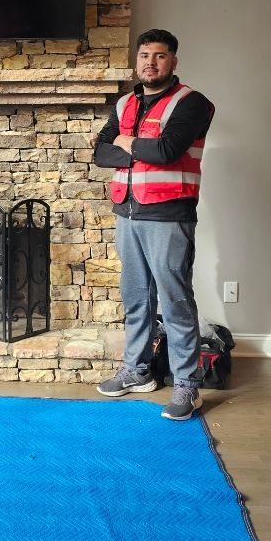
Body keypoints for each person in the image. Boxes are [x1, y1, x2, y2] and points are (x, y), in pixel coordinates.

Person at [93, 29, 214, 421]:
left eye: (159, 56)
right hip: (126, 211)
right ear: (137, 60)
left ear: (173, 61)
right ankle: (137, 369)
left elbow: (166, 151)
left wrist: (125, 145)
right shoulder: (125, 102)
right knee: (136, 296)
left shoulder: (192, 103)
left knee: (175, 299)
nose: (151, 62)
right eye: (145, 55)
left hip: (169, 214)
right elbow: (100, 152)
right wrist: (129, 147)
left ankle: (187, 385)